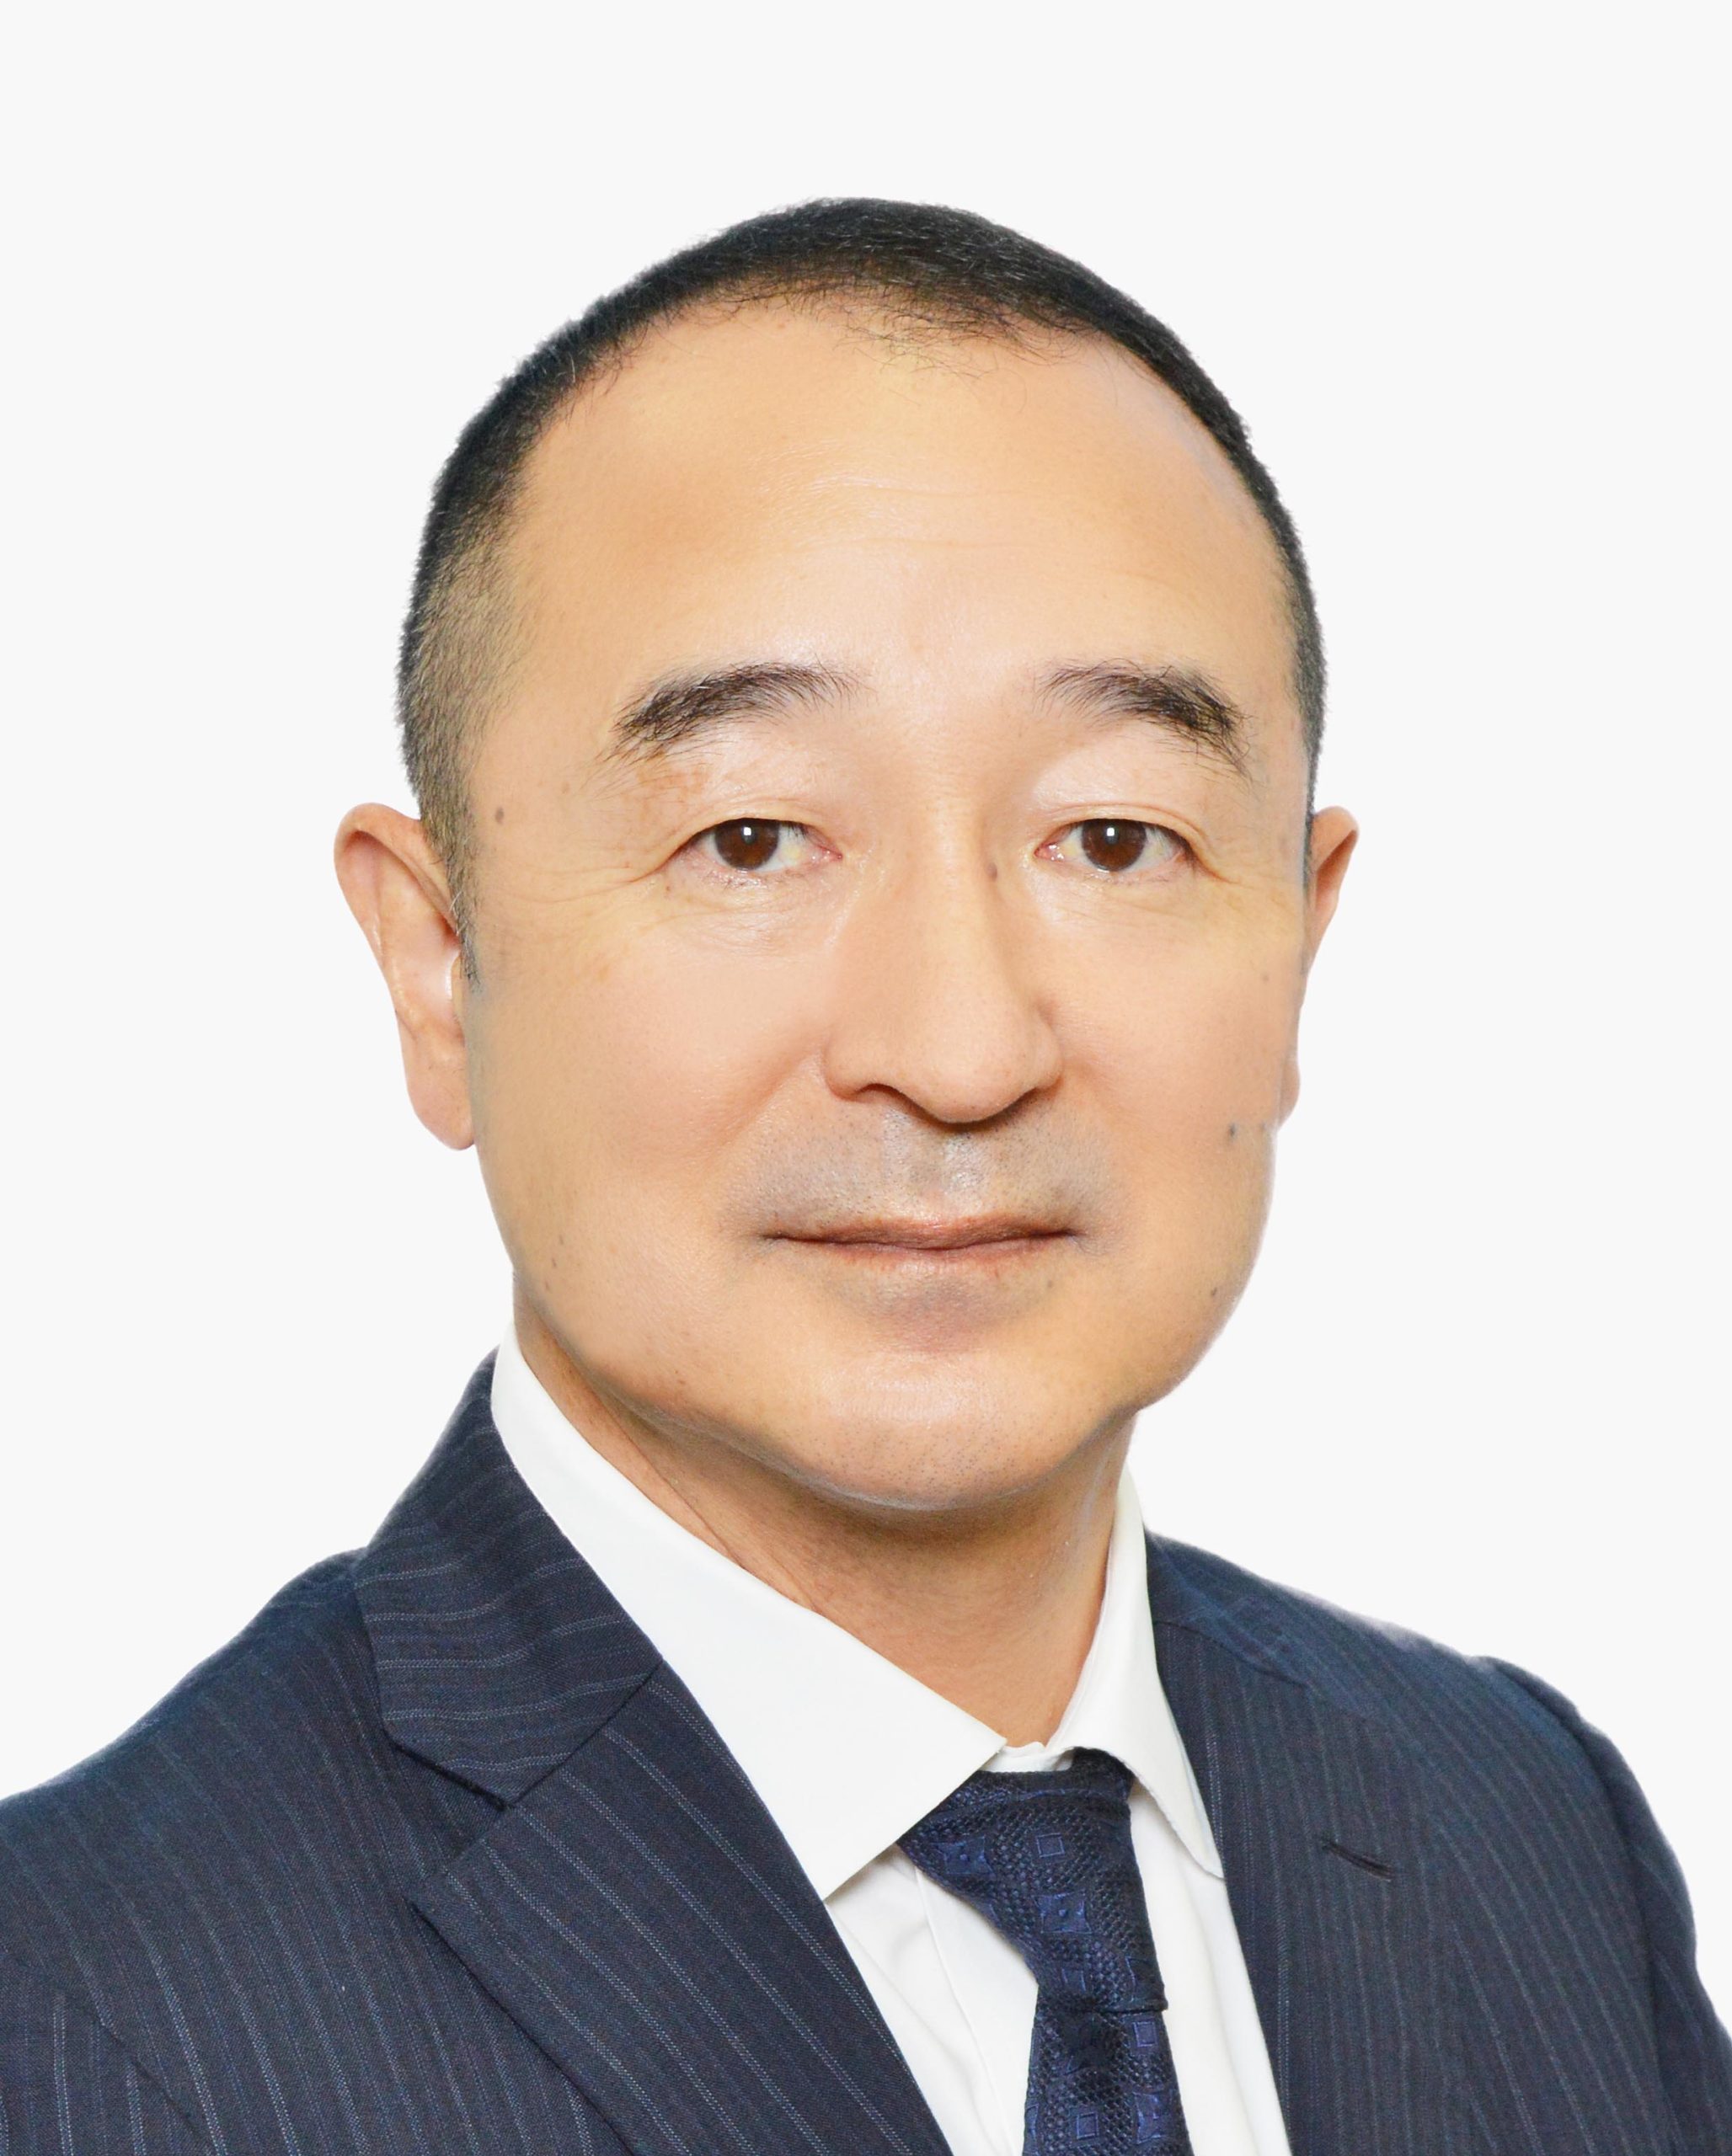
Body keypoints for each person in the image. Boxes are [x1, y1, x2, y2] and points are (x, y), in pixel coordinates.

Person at [0, 197, 1724, 2156]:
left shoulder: (1523, 1826)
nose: (957, 1043)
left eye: (1113, 837)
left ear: (1298, 941)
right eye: (749, 838)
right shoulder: (76, 2021)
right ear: (435, 962)